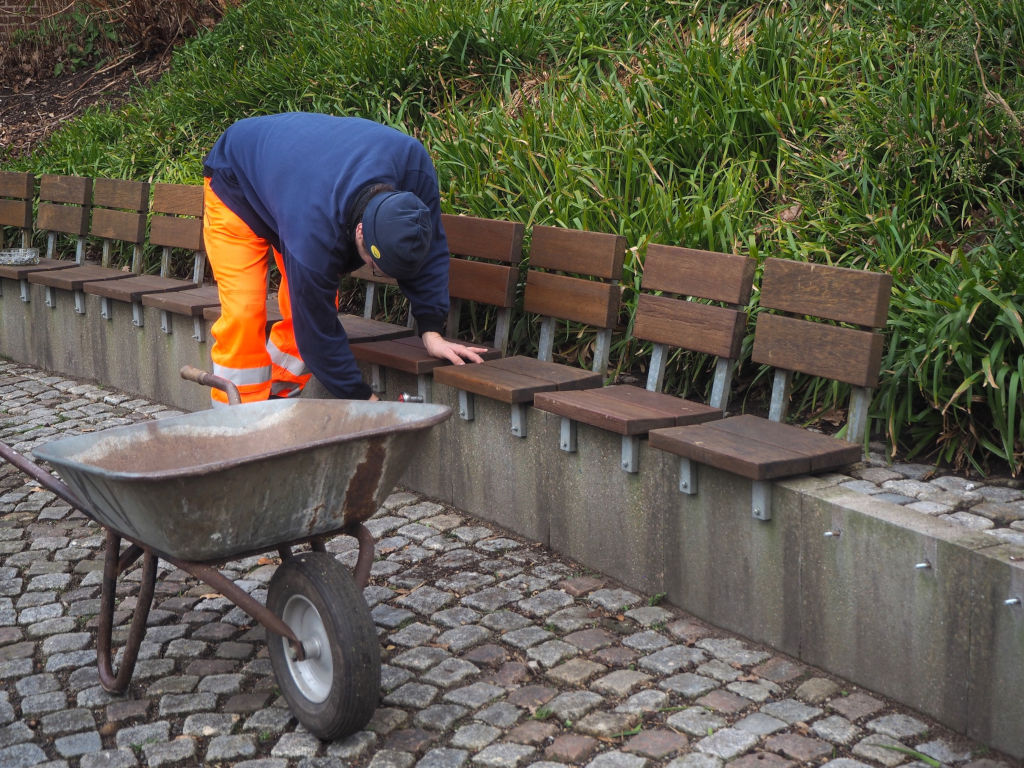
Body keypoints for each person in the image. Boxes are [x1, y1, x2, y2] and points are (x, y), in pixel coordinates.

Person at [200, 112, 485, 405]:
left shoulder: (413, 170)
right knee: (245, 313)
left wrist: (431, 330)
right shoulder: (314, 232)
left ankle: (276, 402)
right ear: (360, 231)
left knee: (306, 314)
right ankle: (234, 423)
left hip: (292, 183)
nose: (374, 269)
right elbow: (317, 334)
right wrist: (366, 403)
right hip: (235, 181)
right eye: (374, 265)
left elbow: (431, 249)